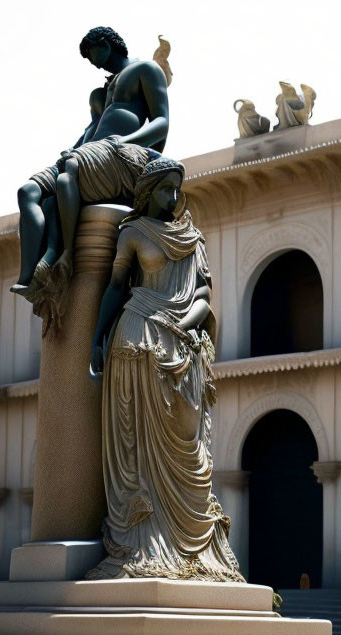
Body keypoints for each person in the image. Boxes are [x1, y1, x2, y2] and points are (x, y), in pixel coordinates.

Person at [86, 157, 243, 583]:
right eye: (163, 188)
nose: (172, 197)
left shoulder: (193, 237)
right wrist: (97, 338)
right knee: (137, 443)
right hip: (137, 340)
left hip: (183, 345)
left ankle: (189, 546)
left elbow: (204, 293)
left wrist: (184, 323)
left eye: (176, 188)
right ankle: (145, 541)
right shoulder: (132, 233)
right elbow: (116, 288)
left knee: (189, 443)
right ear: (147, 190)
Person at [11, 27, 169, 303]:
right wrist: (72, 149)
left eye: (92, 53)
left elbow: (162, 123)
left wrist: (125, 142)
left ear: (108, 43)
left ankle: (61, 254)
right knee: (29, 193)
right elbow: (90, 131)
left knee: (67, 176)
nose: (92, 61)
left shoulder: (146, 69)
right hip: (87, 154)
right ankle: (28, 279)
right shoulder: (101, 92)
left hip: (119, 154)